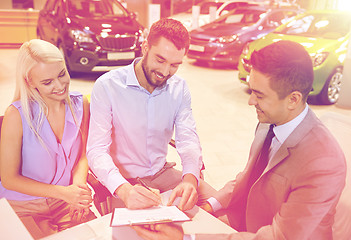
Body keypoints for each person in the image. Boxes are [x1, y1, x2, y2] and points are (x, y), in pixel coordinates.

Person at [133, 40, 347, 239]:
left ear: (293, 99)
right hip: (246, 221)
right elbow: (249, 176)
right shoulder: (270, 121)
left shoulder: (323, 162)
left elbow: (279, 236)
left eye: (259, 95)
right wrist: (210, 205)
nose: (250, 101)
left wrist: (187, 237)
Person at [87, 18, 216, 211]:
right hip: (125, 181)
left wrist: (190, 178)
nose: (165, 72)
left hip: (162, 173)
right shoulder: (107, 86)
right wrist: (123, 190)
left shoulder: (179, 88)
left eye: (174, 65)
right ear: (145, 47)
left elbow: (188, 138)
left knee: (220, 206)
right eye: (160, 60)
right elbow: (96, 150)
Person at [0, 39, 96, 239]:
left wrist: (77, 189)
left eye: (62, 74)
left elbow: (83, 155)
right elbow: (9, 179)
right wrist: (64, 193)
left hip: (65, 200)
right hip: (23, 206)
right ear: (29, 81)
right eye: (47, 82)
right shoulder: (16, 115)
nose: (60, 86)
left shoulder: (81, 104)